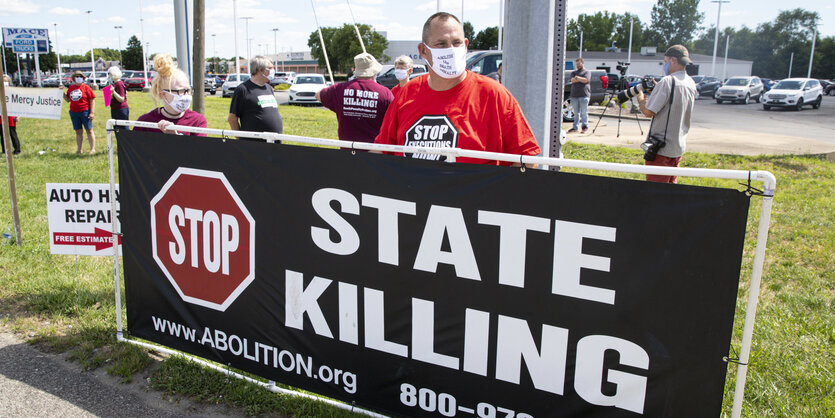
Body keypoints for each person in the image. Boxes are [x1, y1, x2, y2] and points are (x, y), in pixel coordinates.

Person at [374, 12, 540, 166]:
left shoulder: (494, 95)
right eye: (441, 44)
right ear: (423, 51)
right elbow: (381, 151)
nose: (451, 50)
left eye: (456, 43)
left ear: (466, 45)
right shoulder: (407, 94)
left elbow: (527, 160)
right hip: (415, 195)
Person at [636, 45, 697, 184]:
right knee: (670, 192)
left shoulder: (668, 82)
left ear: (673, 60)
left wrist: (640, 100)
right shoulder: (690, 82)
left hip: (661, 149)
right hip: (677, 147)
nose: (665, 65)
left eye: (665, 62)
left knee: (655, 194)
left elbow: (648, 112)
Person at [316, 52, 394, 145]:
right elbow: (393, 120)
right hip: (374, 151)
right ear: (374, 72)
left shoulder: (339, 89)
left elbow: (318, 95)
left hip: (347, 151)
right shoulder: (385, 93)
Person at [135, 54, 207, 136]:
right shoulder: (145, 122)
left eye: (188, 90)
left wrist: (175, 137)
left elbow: (199, 148)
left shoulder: (197, 120)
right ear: (163, 94)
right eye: (181, 91)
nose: (186, 96)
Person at [227, 55, 283, 138]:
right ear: (260, 70)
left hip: (274, 142)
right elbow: (232, 119)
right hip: (253, 144)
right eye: (270, 68)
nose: (273, 70)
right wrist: (240, 140)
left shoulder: (269, 88)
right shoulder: (243, 89)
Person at [62, 70, 96, 154]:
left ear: (83, 78)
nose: (78, 78)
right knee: (78, 131)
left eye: (80, 76)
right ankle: (79, 149)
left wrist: (91, 112)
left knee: (89, 130)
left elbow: (92, 100)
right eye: (77, 76)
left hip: (85, 111)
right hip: (74, 112)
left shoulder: (86, 87)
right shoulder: (71, 88)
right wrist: (62, 93)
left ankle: (92, 149)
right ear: (73, 78)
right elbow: (68, 99)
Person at [568, 58, 590, 133]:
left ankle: (584, 127)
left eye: (579, 64)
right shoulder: (573, 72)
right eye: (576, 64)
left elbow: (586, 80)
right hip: (574, 95)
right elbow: (572, 80)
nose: (577, 65)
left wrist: (577, 78)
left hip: (584, 95)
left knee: (584, 112)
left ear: (582, 63)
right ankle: (575, 127)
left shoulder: (586, 72)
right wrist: (579, 79)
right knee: (576, 113)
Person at [1, 75, 21, 155]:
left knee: (12, 133)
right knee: (2, 134)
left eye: (6, 81)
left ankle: (17, 149)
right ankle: (4, 150)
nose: (4, 83)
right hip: (1, 116)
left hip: (11, 116)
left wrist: (17, 116)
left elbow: (18, 104)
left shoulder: (13, 91)